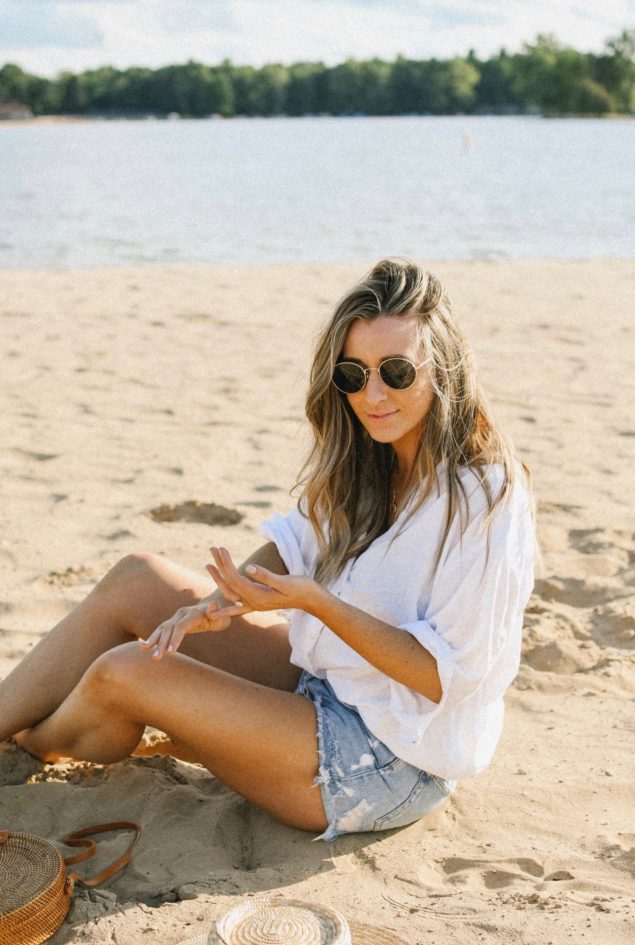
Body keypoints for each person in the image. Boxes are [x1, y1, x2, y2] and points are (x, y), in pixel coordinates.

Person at [1, 258, 535, 841]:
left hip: (392, 758)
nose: (372, 395)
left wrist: (318, 605)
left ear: (446, 370)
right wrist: (213, 603)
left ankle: (36, 741)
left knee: (125, 673)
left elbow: (445, 679)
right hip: (334, 685)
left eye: (398, 371)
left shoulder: (486, 499)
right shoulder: (373, 461)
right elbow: (292, 543)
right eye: (353, 375)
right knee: (137, 577)